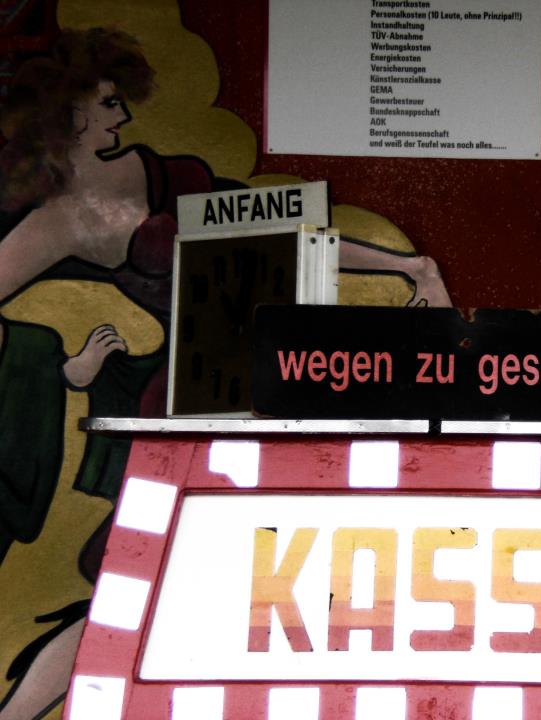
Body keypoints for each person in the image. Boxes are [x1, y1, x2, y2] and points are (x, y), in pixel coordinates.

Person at [0, 26, 451, 718]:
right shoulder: (54, 223)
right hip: (183, 405)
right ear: (72, 115)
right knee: (142, 581)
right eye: (110, 102)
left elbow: (289, 234)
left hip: (266, 387)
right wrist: (65, 366)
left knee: (249, 568)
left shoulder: (145, 169)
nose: (124, 115)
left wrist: (410, 267)